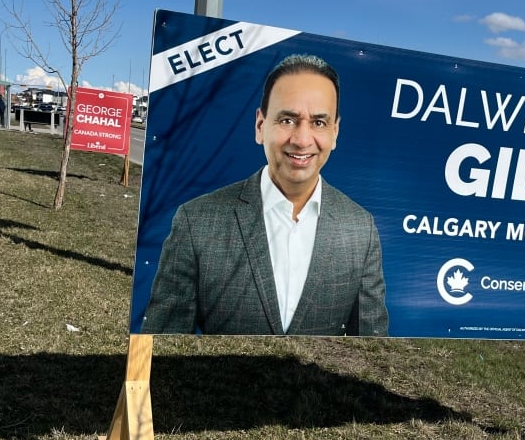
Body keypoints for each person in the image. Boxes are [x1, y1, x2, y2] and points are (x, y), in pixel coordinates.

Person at [143, 54, 388, 336]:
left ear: (335, 132)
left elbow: (373, 347)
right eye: (287, 120)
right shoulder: (196, 221)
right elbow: (163, 345)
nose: (302, 139)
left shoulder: (360, 229)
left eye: (319, 123)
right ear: (260, 126)